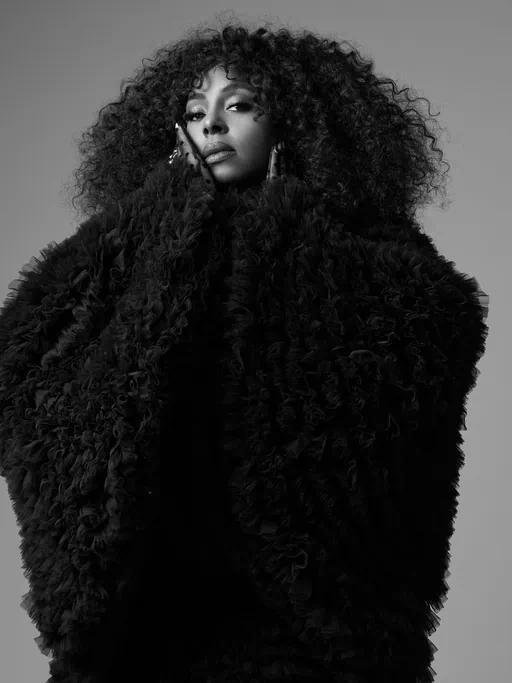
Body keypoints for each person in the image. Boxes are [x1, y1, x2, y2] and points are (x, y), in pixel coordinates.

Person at [0, 13, 489, 683]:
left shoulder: (376, 257)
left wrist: (288, 227)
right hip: (148, 619)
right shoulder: (127, 245)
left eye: (239, 105)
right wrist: (167, 214)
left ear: (291, 122)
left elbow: (420, 354)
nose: (211, 124)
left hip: (300, 629)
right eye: (194, 110)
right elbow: (29, 363)